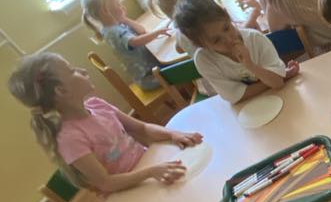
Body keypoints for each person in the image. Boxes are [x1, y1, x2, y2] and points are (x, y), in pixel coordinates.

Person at [7, 53, 199, 193]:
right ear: (61, 91)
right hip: (127, 192)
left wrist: (172, 134)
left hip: (148, 169)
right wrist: (150, 172)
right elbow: (106, 183)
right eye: (72, 71)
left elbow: (142, 128)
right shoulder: (69, 138)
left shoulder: (98, 105)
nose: (82, 70)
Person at [174, 0, 298, 105]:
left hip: (282, 98)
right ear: (201, 45)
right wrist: (279, 77)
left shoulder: (255, 39)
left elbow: (277, 84)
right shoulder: (204, 60)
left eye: (226, 28)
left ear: (227, 15)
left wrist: (250, 65)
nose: (229, 39)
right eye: (216, 40)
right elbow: (234, 98)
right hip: (247, 108)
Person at [81, 0, 167, 90]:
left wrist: (125, 19)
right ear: (105, 11)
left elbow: (141, 31)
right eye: (118, 4)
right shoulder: (114, 32)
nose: (122, 7)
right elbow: (135, 42)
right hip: (150, 77)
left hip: (152, 69)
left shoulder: (116, 26)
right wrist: (156, 33)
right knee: (178, 64)